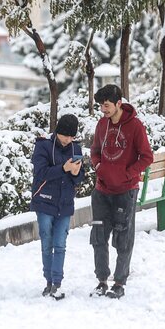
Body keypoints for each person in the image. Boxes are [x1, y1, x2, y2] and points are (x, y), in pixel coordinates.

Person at [89, 84, 153, 299]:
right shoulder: (101, 124)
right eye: (101, 106)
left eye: (106, 105)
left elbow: (146, 157)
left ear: (118, 103)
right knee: (98, 237)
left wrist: (127, 174)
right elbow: (95, 151)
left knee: (123, 237)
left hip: (125, 191)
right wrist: (98, 167)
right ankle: (101, 280)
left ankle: (119, 282)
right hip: (102, 190)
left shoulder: (135, 126)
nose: (103, 110)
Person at [30, 113, 85, 300]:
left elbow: (79, 177)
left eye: (72, 137)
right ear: (58, 132)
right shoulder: (43, 146)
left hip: (65, 203)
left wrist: (77, 173)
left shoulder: (75, 148)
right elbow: (40, 173)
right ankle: (48, 281)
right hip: (44, 202)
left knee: (60, 244)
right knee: (47, 243)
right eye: (65, 135)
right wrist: (64, 169)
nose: (68, 140)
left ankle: (57, 283)